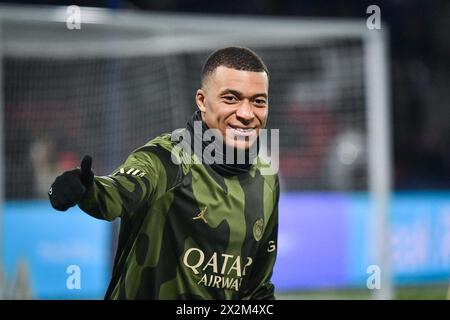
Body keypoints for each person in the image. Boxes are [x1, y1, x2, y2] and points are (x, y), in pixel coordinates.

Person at [48, 47, 279, 300]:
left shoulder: (266, 178)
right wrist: (87, 189)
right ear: (202, 101)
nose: (246, 114)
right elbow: (118, 192)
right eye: (231, 99)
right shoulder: (166, 159)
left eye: (258, 101)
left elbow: (256, 290)